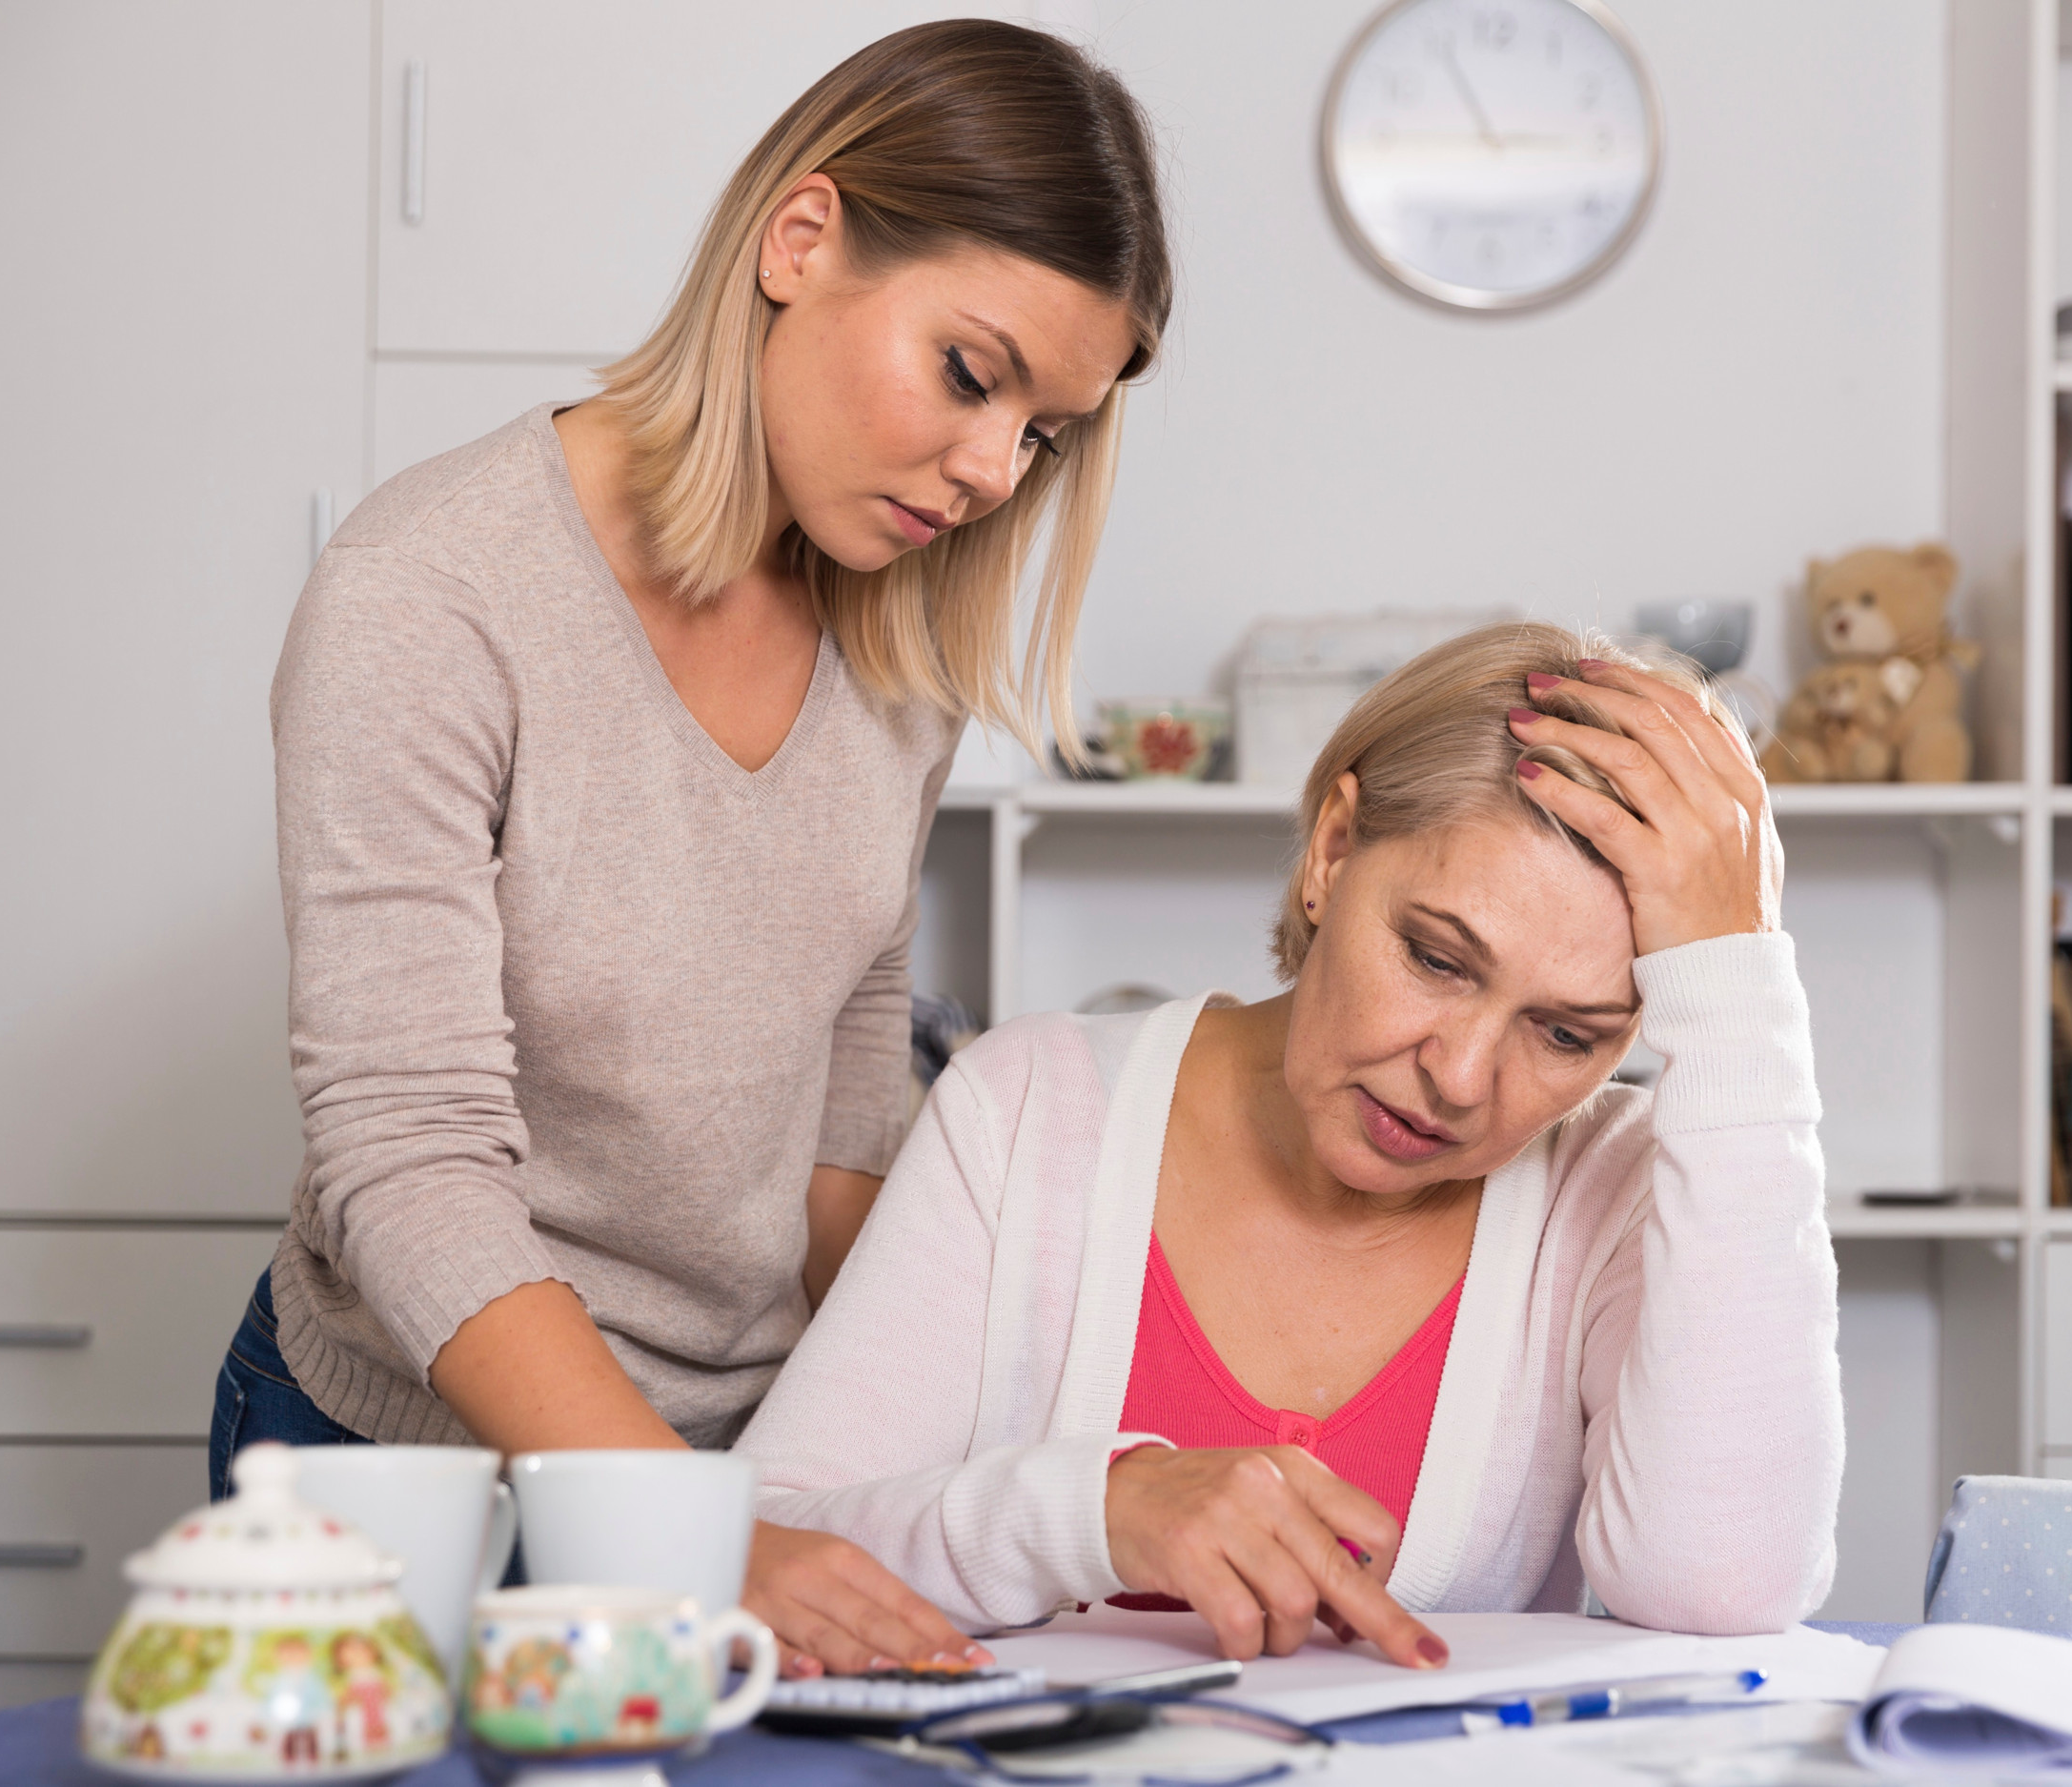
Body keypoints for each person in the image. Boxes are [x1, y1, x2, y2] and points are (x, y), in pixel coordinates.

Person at [206, 18, 1173, 1680]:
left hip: (747, 1463)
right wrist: (689, 1532)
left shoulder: (894, 646)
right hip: (414, 1473)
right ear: (802, 240)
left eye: (1045, 433)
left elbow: (848, 1092)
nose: (991, 471)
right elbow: (407, 1160)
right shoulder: (428, 599)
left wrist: (1007, 1449)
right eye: (970, 372)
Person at [739, 623, 1843, 1669]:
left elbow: (1722, 1589)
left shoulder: (1619, 1186)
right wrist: (1092, 1512)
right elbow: (757, 1541)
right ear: (1331, 850)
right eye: (1436, 960)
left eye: (1565, 1034)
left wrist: (1741, 999)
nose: (1459, 1078)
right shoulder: (1027, 1106)